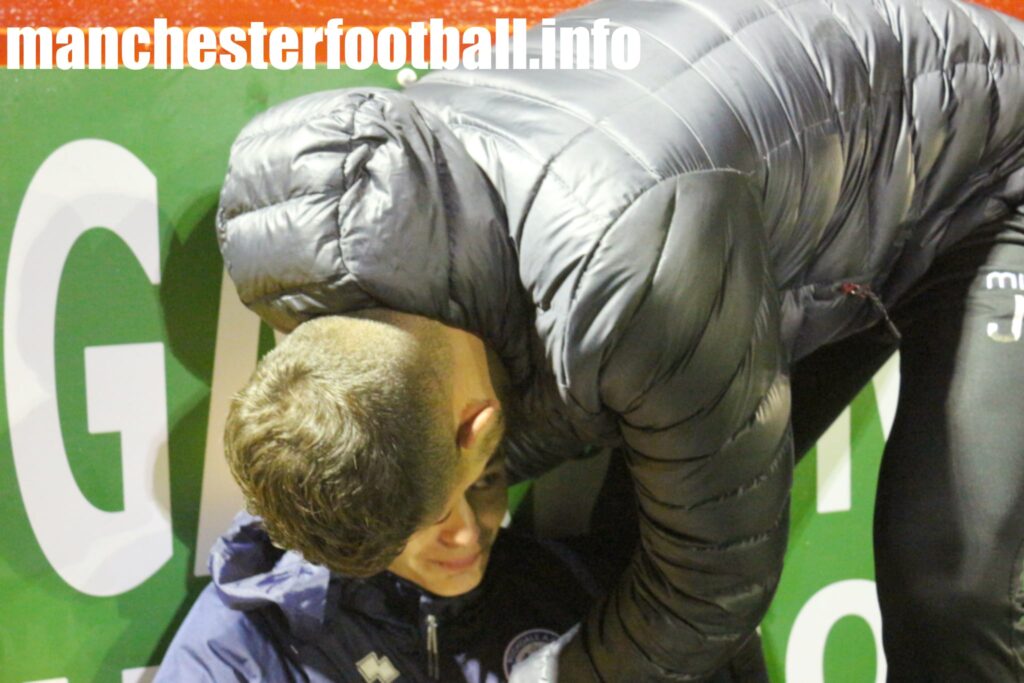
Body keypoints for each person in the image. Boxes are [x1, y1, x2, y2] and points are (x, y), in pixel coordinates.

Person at [215, 0, 1024, 679]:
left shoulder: (628, 275)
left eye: (436, 521)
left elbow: (713, 586)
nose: (458, 544)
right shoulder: (288, 250)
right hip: (782, 202)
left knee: (953, 589)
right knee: (636, 547)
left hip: (991, 166)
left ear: (479, 426)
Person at [155, 313, 596, 682]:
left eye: (485, 482)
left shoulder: (561, 586)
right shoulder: (237, 647)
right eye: (431, 510)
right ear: (364, 501)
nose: (465, 533)